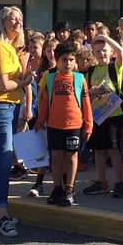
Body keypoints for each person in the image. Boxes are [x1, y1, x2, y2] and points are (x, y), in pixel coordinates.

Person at [0, 7, 36, 237]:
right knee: (4, 159)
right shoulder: (0, 47)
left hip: (7, 107)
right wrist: (24, 82)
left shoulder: (9, 48)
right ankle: (3, 216)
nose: (17, 22)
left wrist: (24, 79)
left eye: (20, 19)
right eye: (12, 18)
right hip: (1, 106)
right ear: (2, 22)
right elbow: (4, 84)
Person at [35, 40, 93, 206]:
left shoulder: (80, 79)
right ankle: (57, 188)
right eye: (64, 60)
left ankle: (70, 189)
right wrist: (40, 120)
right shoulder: (51, 79)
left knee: (72, 157)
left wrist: (88, 125)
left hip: (74, 125)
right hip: (54, 125)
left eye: (71, 60)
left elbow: (87, 105)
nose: (68, 63)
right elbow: (45, 102)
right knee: (56, 158)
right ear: (57, 60)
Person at [81, 34, 123, 198]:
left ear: (111, 52)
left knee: (113, 149)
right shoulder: (91, 71)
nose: (102, 53)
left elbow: (121, 51)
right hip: (97, 115)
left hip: (113, 115)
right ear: (93, 53)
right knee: (98, 150)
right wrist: (91, 92)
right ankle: (101, 181)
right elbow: (83, 92)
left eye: (105, 50)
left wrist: (104, 37)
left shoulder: (115, 67)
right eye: (98, 51)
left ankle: (119, 182)